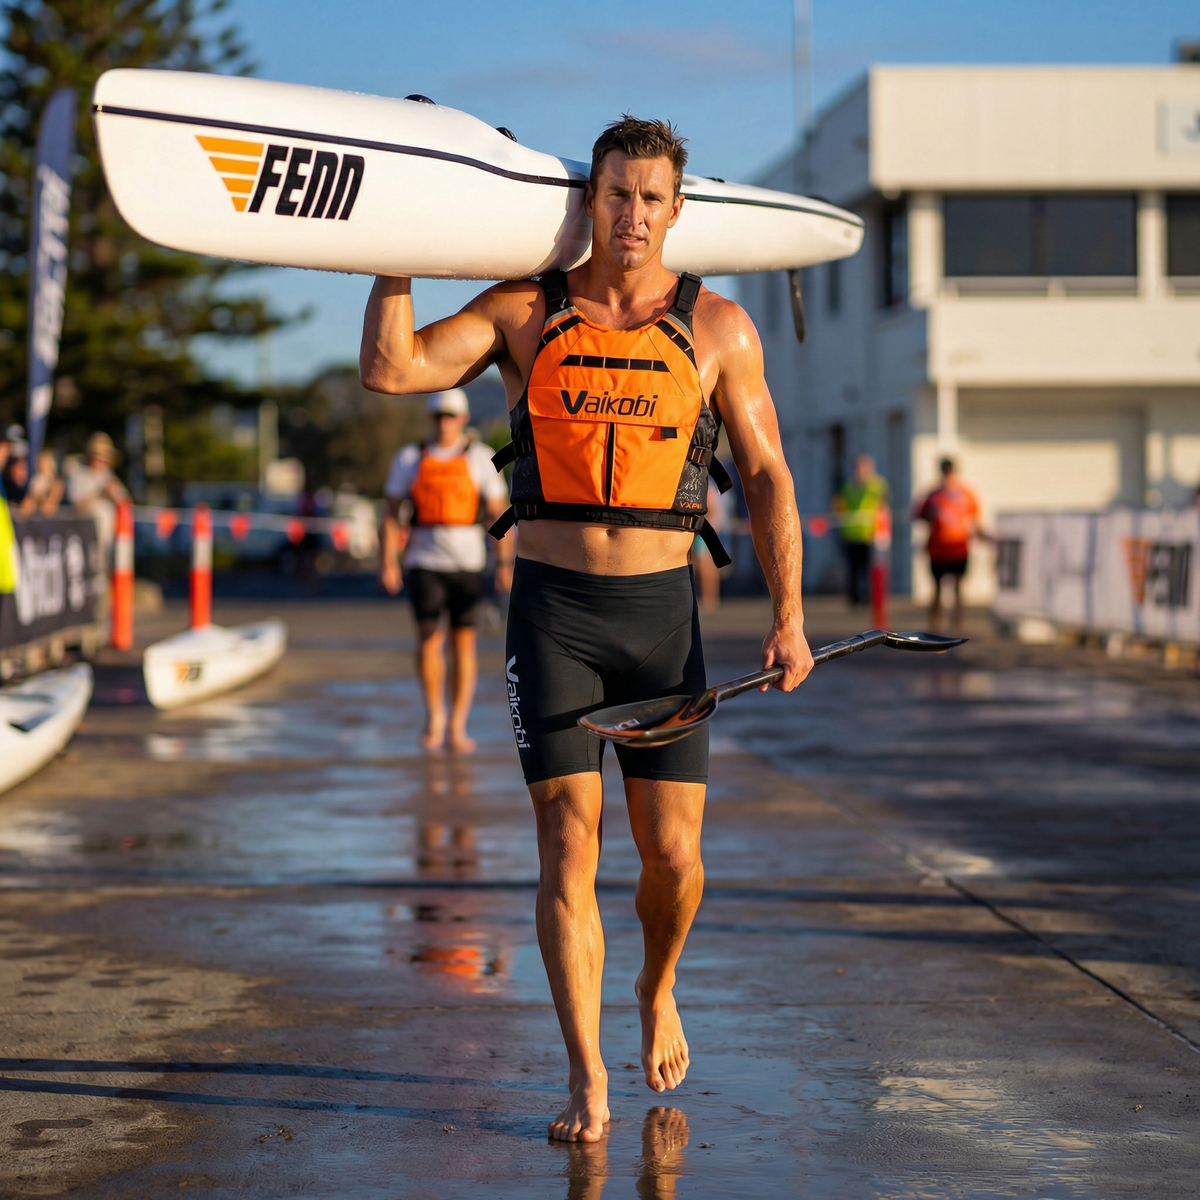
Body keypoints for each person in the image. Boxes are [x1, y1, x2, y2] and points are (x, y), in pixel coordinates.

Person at [361, 115, 813, 1142]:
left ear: (677, 210)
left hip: (663, 620)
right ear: (590, 201)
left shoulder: (719, 331)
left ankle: (656, 987)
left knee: (675, 859)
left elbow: (773, 474)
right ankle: (584, 1075)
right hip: (553, 617)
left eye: (652, 198)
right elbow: (393, 369)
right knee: (568, 846)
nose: (634, 215)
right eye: (617, 194)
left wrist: (789, 616)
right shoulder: (526, 313)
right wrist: (388, 250)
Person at [380, 389, 512, 753]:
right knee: (427, 638)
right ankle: (434, 714)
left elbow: (498, 516)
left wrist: (503, 563)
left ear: (463, 419)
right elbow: (391, 516)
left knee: (463, 642)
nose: (445, 422)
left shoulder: (482, 458)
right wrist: (387, 560)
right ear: (430, 418)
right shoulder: (409, 458)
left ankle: (458, 723)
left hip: (467, 564)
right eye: (439, 415)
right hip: (423, 562)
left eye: (451, 415)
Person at [914, 457, 981, 634]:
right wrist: (930, 515)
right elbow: (920, 516)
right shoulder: (933, 495)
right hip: (938, 549)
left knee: (958, 588)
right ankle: (935, 625)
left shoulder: (965, 493)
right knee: (936, 589)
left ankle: (957, 625)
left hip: (958, 549)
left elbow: (975, 520)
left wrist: (984, 537)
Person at [64, 431, 128, 569]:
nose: (101, 461)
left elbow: (126, 502)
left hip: (108, 543)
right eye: (97, 456)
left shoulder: (108, 475)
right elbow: (77, 506)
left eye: (105, 457)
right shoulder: (76, 472)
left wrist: (116, 494)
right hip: (84, 541)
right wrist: (100, 494)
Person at [831, 453, 888, 607]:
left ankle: (870, 597)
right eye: (858, 467)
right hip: (851, 533)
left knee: (871, 569)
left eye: (864, 467)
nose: (861, 471)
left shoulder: (876, 485)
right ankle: (854, 599)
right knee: (853, 569)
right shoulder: (848, 486)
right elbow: (839, 505)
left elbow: (882, 505)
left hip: (870, 533)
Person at [690, 475, 730, 611]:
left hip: (704, 531)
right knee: (699, 565)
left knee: (706, 567)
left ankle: (710, 598)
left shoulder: (705, 487)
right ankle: (707, 597)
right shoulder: (704, 486)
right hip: (701, 530)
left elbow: (711, 510)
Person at [19, 449, 64, 517]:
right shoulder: (36, 480)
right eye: (41, 463)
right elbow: (28, 502)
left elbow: (49, 507)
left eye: (45, 463)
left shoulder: (57, 483)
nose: (43, 465)